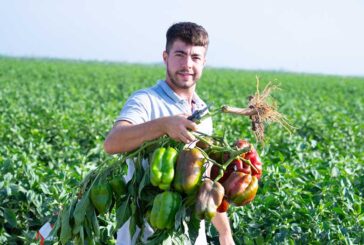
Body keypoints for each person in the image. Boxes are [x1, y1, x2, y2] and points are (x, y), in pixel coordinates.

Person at [104, 22, 235, 245]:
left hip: (191, 237)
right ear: (165, 57)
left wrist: (224, 233)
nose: (187, 64)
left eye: (195, 57)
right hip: (144, 237)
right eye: (180, 55)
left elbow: (205, 182)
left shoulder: (204, 114)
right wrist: (163, 125)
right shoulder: (146, 100)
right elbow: (113, 142)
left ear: (203, 62)